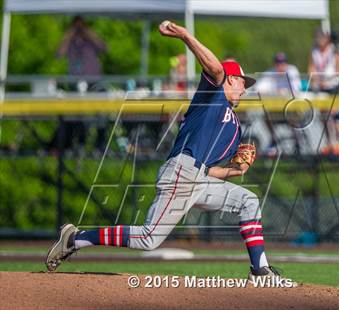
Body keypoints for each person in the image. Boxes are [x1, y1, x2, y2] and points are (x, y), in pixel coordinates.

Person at [46, 20, 292, 282]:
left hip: (198, 177)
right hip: (182, 172)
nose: (245, 89)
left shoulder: (234, 126)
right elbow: (215, 68)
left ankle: (260, 270)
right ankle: (76, 238)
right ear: (231, 79)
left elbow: (210, 170)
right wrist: (185, 35)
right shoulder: (213, 95)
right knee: (149, 238)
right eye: (243, 83)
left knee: (249, 201)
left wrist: (236, 169)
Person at [55, 16, 108, 151]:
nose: (79, 29)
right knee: (78, 115)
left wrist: (87, 32)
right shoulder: (70, 41)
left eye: (81, 26)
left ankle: (100, 144)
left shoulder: (91, 40)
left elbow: (104, 48)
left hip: (94, 83)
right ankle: (79, 144)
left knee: (102, 112)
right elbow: (59, 54)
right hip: (76, 85)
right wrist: (69, 34)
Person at [308, 28, 339, 155]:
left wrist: (328, 79)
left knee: (334, 115)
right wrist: (314, 80)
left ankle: (338, 142)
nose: (319, 40)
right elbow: (311, 67)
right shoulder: (314, 51)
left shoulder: (334, 50)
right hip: (320, 86)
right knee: (324, 116)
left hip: (333, 85)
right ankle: (329, 143)